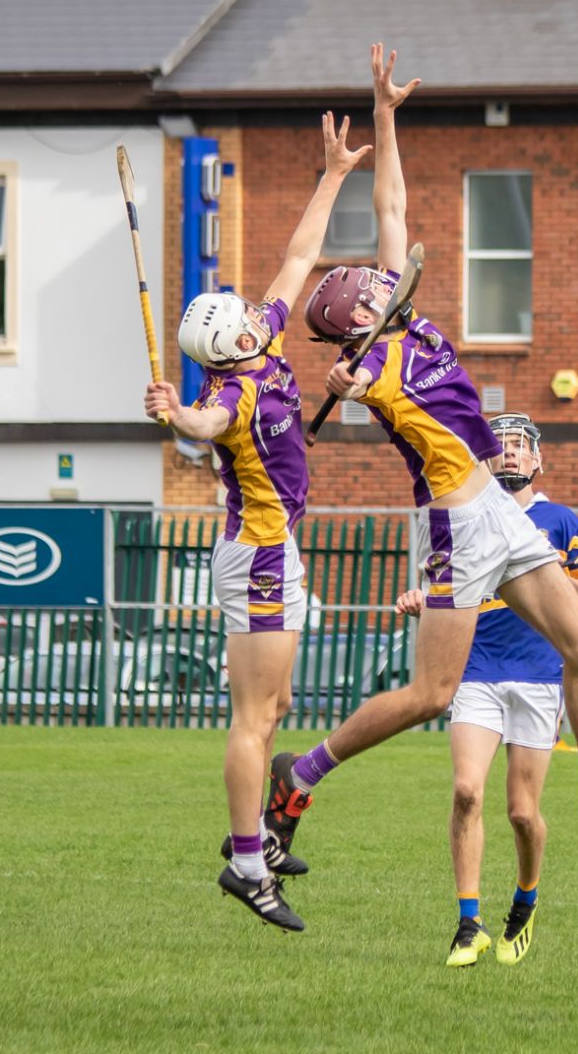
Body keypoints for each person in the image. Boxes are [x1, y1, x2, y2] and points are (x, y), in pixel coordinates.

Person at [265, 44, 578, 876]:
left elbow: (392, 202)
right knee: (428, 694)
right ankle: (299, 776)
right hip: (457, 525)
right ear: (361, 314)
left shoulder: (400, 319)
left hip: (499, 507)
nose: (385, 280)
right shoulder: (375, 364)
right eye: (372, 288)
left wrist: (384, 117)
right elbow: (361, 388)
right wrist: (351, 387)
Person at [144, 111, 372, 932]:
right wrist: (177, 413)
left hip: (278, 552)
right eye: (240, 313)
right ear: (225, 342)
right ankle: (247, 861)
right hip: (261, 558)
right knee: (252, 718)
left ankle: (257, 847)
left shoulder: (267, 345)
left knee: (270, 713)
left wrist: (335, 174)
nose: (256, 308)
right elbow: (205, 429)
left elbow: (299, 258)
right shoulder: (229, 393)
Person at [397, 413, 578, 967]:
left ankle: (526, 898)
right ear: (486, 460)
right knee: (466, 791)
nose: (511, 454)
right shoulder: (466, 518)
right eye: (502, 447)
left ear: (538, 461)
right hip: (476, 670)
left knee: (522, 813)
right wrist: (424, 600)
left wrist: (543, 574)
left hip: (539, 675)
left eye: (521, 447)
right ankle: (469, 923)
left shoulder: (560, 522)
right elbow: (439, 586)